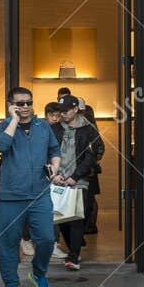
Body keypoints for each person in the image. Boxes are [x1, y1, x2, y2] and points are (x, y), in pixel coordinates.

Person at [0, 86, 60, 287]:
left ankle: (38, 273)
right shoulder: (3, 126)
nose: (26, 107)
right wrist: (13, 120)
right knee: (9, 243)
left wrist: (55, 167)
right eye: (20, 103)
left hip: (40, 193)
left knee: (47, 239)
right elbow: (1, 146)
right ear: (11, 105)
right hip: (11, 196)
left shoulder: (42, 127)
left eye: (29, 103)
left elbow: (54, 150)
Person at [49, 98, 103, 270]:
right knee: (61, 218)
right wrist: (53, 174)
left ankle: (74, 256)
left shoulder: (88, 129)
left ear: (75, 109)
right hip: (57, 179)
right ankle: (74, 249)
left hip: (79, 180)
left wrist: (76, 175)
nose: (63, 114)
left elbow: (94, 153)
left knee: (77, 217)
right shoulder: (54, 128)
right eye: (60, 111)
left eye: (66, 110)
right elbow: (46, 151)